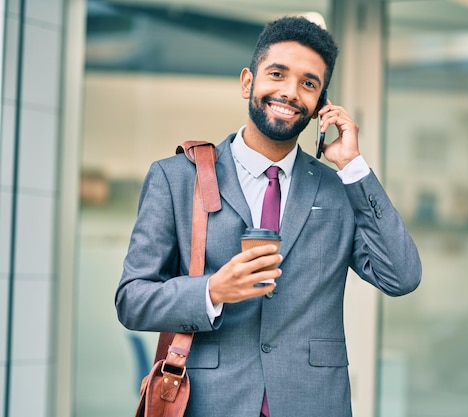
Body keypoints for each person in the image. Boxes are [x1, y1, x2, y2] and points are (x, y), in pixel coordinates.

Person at [115, 16, 421, 417]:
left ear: (319, 107)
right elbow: (132, 299)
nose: (289, 92)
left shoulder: (341, 189)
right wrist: (212, 291)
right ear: (248, 82)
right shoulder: (175, 178)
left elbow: (401, 276)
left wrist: (354, 166)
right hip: (210, 402)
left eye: (308, 84)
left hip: (314, 403)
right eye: (277, 74)